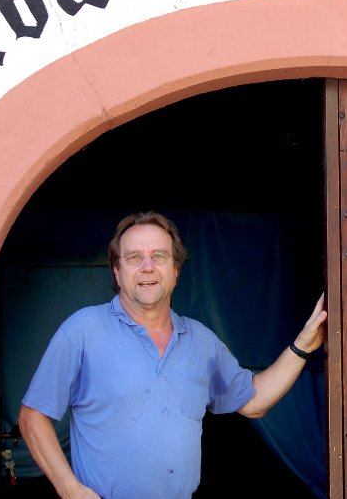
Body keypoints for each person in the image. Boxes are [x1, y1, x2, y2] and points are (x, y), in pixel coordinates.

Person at [19, 211, 327, 499]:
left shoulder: (201, 342)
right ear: (117, 271)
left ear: (176, 270)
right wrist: (69, 488)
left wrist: (302, 345)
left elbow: (254, 402)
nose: (147, 267)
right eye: (134, 257)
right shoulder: (83, 331)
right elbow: (32, 416)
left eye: (159, 256)